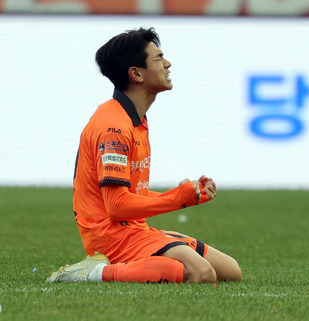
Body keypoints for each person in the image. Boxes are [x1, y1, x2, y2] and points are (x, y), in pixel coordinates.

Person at [46, 27, 242, 284]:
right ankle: (95, 272)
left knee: (231, 271)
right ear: (136, 73)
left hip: (132, 227)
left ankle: (161, 245)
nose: (168, 64)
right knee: (201, 273)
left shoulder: (135, 119)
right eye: (158, 58)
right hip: (109, 235)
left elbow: (131, 196)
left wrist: (186, 192)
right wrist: (177, 199)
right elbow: (116, 207)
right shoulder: (113, 127)